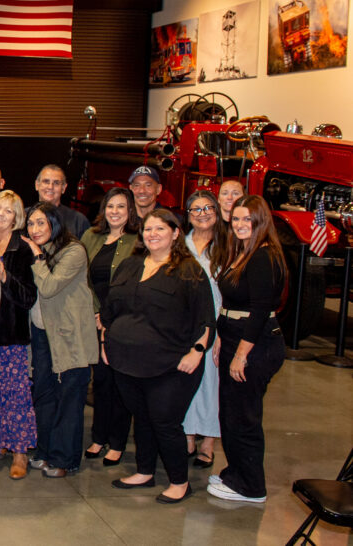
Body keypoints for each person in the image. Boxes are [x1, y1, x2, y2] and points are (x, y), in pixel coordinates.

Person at [102, 209, 215, 504]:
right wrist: (106, 341)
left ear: (175, 233)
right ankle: (144, 471)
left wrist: (197, 351)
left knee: (165, 421)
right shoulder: (130, 264)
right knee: (143, 418)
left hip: (172, 364)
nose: (152, 234)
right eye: (148, 229)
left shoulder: (189, 269)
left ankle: (179, 481)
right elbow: (110, 310)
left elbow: (206, 318)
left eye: (160, 229)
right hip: (126, 361)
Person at [207, 195, 287, 504]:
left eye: (247, 220)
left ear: (261, 222)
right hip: (233, 338)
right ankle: (236, 473)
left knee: (244, 417)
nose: (240, 225)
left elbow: (259, 310)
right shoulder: (242, 251)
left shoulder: (263, 257)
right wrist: (220, 339)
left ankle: (252, 486)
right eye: (236, 218)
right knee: (231, 413)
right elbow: (230, 304)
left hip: (256, 346)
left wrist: (241, 354)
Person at [22, 202, 98, 478]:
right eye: (31, 223)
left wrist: (37, 258)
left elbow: (51, 286)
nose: (35, 229)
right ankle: (44, 451)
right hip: (42, 335)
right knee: (44, 396)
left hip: (69, 337)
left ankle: (64, 459)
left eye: (41, 222)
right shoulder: (42, 251)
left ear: (55, 223)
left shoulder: (73, 250)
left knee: (69, 398)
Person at [0, 190, 38, 480]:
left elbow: (28, 297)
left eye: (9, 210)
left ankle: (19, 452)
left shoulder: (22, 248)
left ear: (17, 217)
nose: (1, 213)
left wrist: (4, 276)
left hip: (8, 330)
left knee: (15, 392)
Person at [79, 187, 139, 467]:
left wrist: (109, 317)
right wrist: (95, 312)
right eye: (110, 206)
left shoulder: (138, 241)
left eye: (122, 207)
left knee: (119, 383)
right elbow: (80, 274)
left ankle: (117, 442)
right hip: (92, 318)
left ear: (131, 212)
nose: (115, 212)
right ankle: (98, 437)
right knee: (100, 383)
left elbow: (136, 284)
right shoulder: (91, 237)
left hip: (123, 322)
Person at [183, 190, 226, 470]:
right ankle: (187, 435)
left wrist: (221, 332)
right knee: (186, 381)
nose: (203, 213)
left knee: (211, 382)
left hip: (218, 324)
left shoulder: (228, 245)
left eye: (208, 207)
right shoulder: (181, 245)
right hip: (185, 324)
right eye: (196, 209)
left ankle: (208, 442)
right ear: (188, 215)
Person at [35, 164, 90, 238]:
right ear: (37, 185)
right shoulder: (24, 217)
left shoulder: (79, 221)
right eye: (46, 181)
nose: (50, 187)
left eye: (56, 183)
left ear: (64, 188)